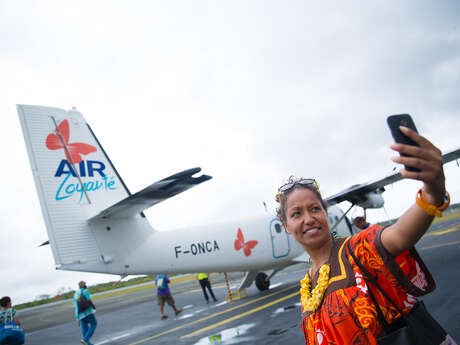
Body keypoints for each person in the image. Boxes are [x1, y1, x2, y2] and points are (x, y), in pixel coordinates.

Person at [275, 126, 457, 344]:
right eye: (296, 214)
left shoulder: (358, 249)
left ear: (325, 213)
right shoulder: (308, 287)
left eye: (315, 209)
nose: (308, 218)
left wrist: (433, 191)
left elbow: (399, 235)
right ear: (286, 226)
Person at [73, 281, 97, 345]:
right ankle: (85, 339)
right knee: (94, 324)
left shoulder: (75, 294)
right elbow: (89, 300)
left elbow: (75, 306)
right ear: (84, 285)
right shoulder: (85, 291)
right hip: (88, 312)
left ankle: (87, 343)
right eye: (85, 284)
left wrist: (77, 317)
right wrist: (94, 307)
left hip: (80, 314)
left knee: (84, 328)